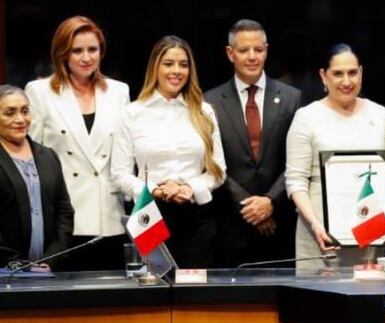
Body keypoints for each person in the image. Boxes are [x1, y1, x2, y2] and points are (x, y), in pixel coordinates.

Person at [25, 16, 131, 270]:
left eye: (92, 49)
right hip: (64, 218)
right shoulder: (40, 91)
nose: (86, 58)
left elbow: (126, 154)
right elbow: (33, 156)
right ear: (62, 53)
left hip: (109, 214)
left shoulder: (118, 91)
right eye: (77, 51)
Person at [111, 36, 226, 268]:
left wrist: (188, 188)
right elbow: (119, 174)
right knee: (153, 282)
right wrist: (156, 190)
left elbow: (218, 170)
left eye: (183, 65)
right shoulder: (132, 113)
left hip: (196, 215)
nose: (176, 71)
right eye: (168, 64)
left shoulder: (204, 112)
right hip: (147, 212)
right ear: (155, 67)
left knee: (193, 286)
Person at [286, 44, 385, 272]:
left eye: (352, 73)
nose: (346, 81)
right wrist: (315, 224)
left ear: (361, 73)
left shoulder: (380, 115)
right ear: (324, 76)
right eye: (338, 74)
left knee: (368, 294)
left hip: (370, 234)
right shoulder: (306, 117)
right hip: (321, 238)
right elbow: (295, 181)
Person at [205, 19, 302, 267]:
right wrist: (251, 207)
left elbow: (298, 161)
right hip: (231, 227)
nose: (252, 57)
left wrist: (270, 201)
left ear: (266, 51)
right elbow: (209, 163)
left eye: (258, 50)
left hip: (280, 225)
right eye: (244, 50)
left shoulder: (291, 98)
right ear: (230, 53)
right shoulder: (209, 102)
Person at [0, 85, 74, 269]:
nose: (20, 119)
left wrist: (50, 260)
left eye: (25, 111)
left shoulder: (48, 156)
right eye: (10, 113)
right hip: (6, 270)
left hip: (47, 270)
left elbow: (64, 212)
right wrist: (18, 264)